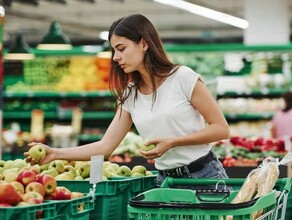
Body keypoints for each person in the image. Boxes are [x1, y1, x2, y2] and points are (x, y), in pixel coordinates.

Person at [25, 14, 230, 187]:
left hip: (204, 177)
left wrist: (172, 142)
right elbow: (105, 147)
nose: (115, 57)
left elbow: (221, 128)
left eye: (121, 48)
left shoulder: (182, 77)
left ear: (143, 43)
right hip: (165, 181)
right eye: (114, 50)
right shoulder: (130, 95)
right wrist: (56, 153)